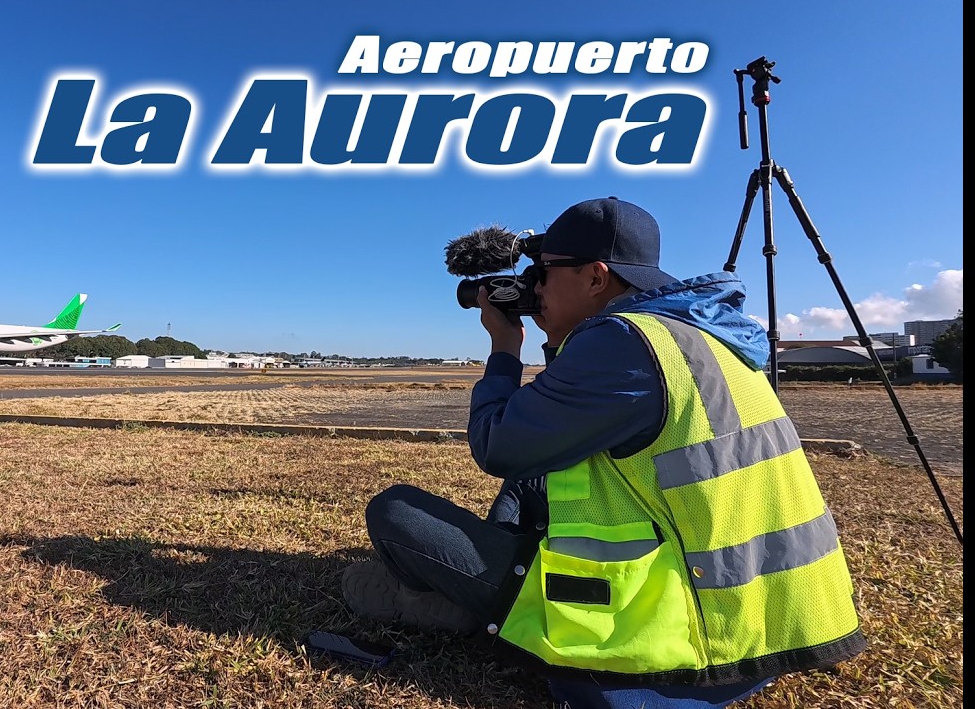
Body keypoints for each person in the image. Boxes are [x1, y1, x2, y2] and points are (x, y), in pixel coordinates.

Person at [341, 197, 865, 708]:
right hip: (767, 631)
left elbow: (498, 445)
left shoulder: (623, 344)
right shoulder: (696, 335)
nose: (535, 287)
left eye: (544, 273)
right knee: (534, 479)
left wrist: (504, 348)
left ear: (595, 276)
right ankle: (485, 585)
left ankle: (463, 602)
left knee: (394, 510)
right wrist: (558, 337)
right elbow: (557, 433)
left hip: (666, 652)